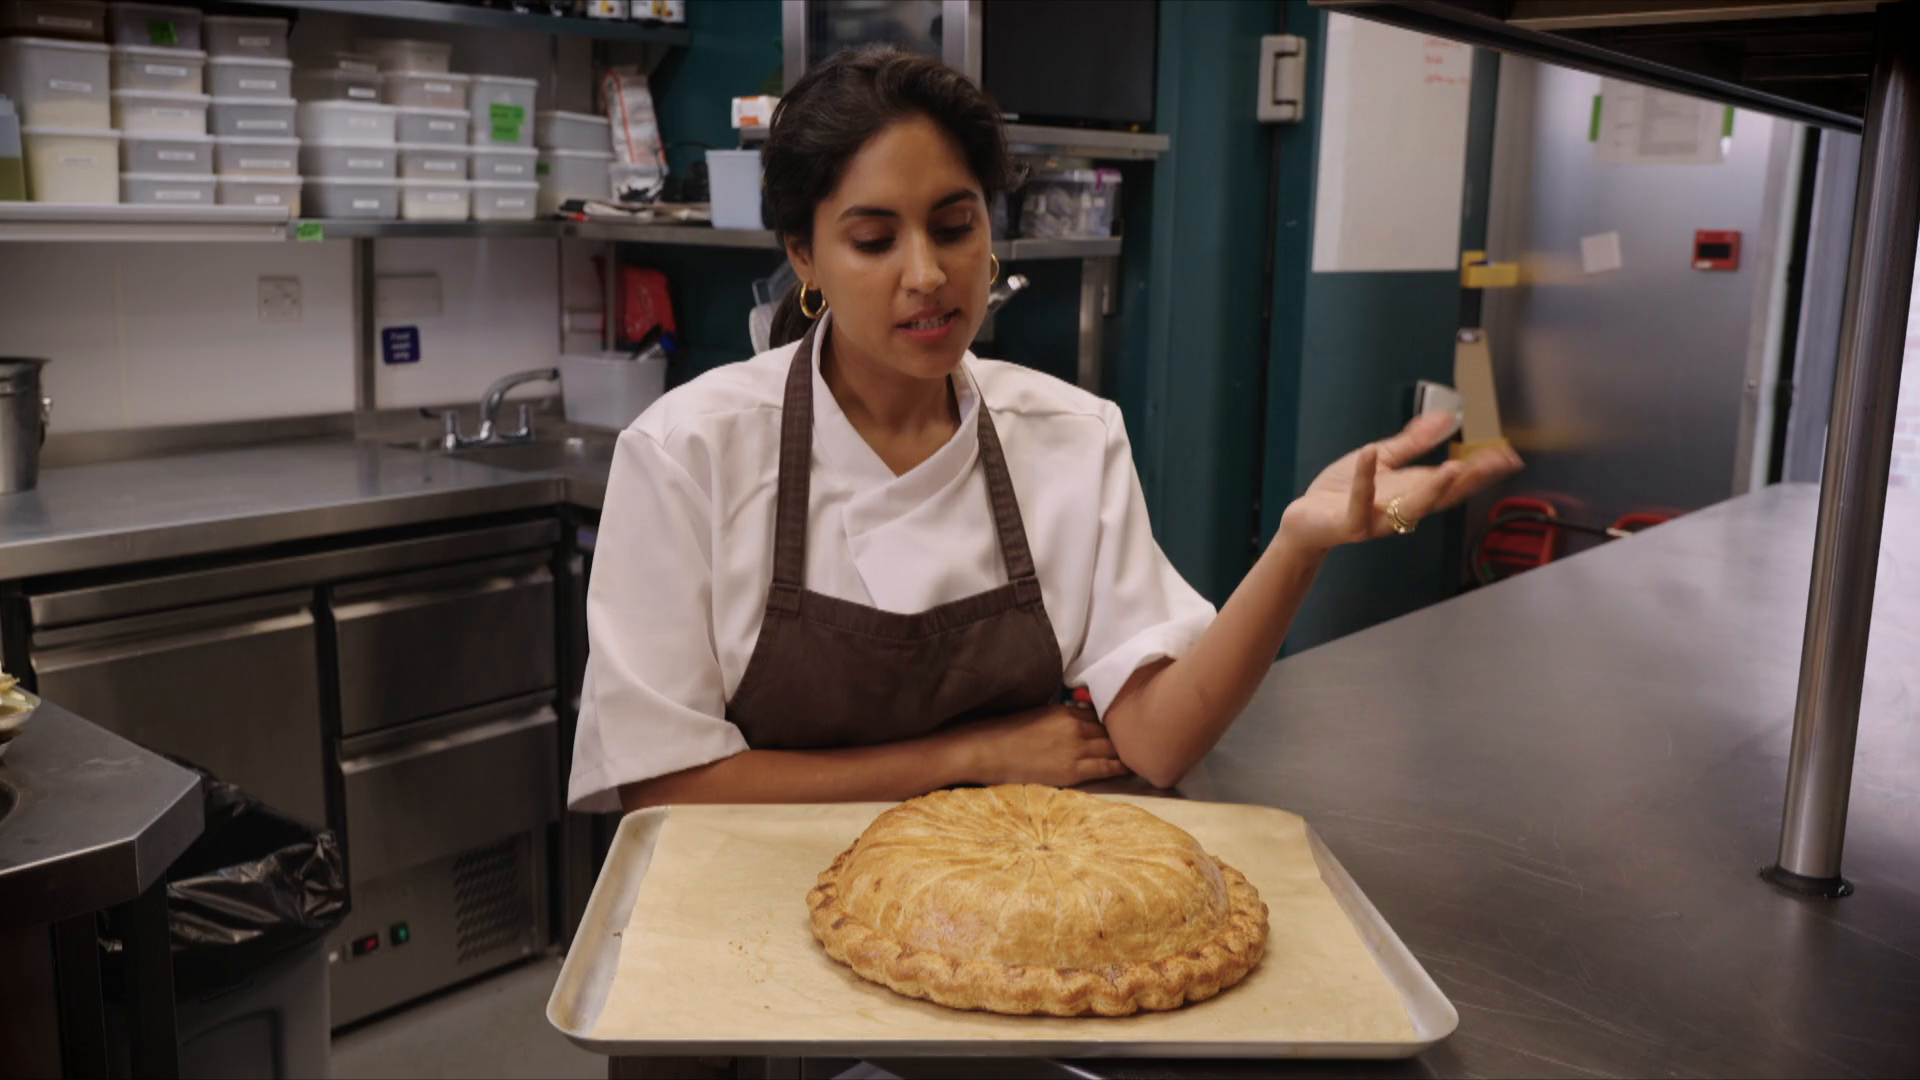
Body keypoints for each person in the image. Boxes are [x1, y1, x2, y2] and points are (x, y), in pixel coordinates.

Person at [568, 46, 1521, 816]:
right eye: (874, 240)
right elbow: (664, 785)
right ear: (804, 256)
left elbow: (1156, 741)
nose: (927, 274)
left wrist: (1297, 547)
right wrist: (969, 756)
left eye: (954, 226)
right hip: (743, 934)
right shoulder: (690, 450)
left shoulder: (1069, 435)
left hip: (998, 919)